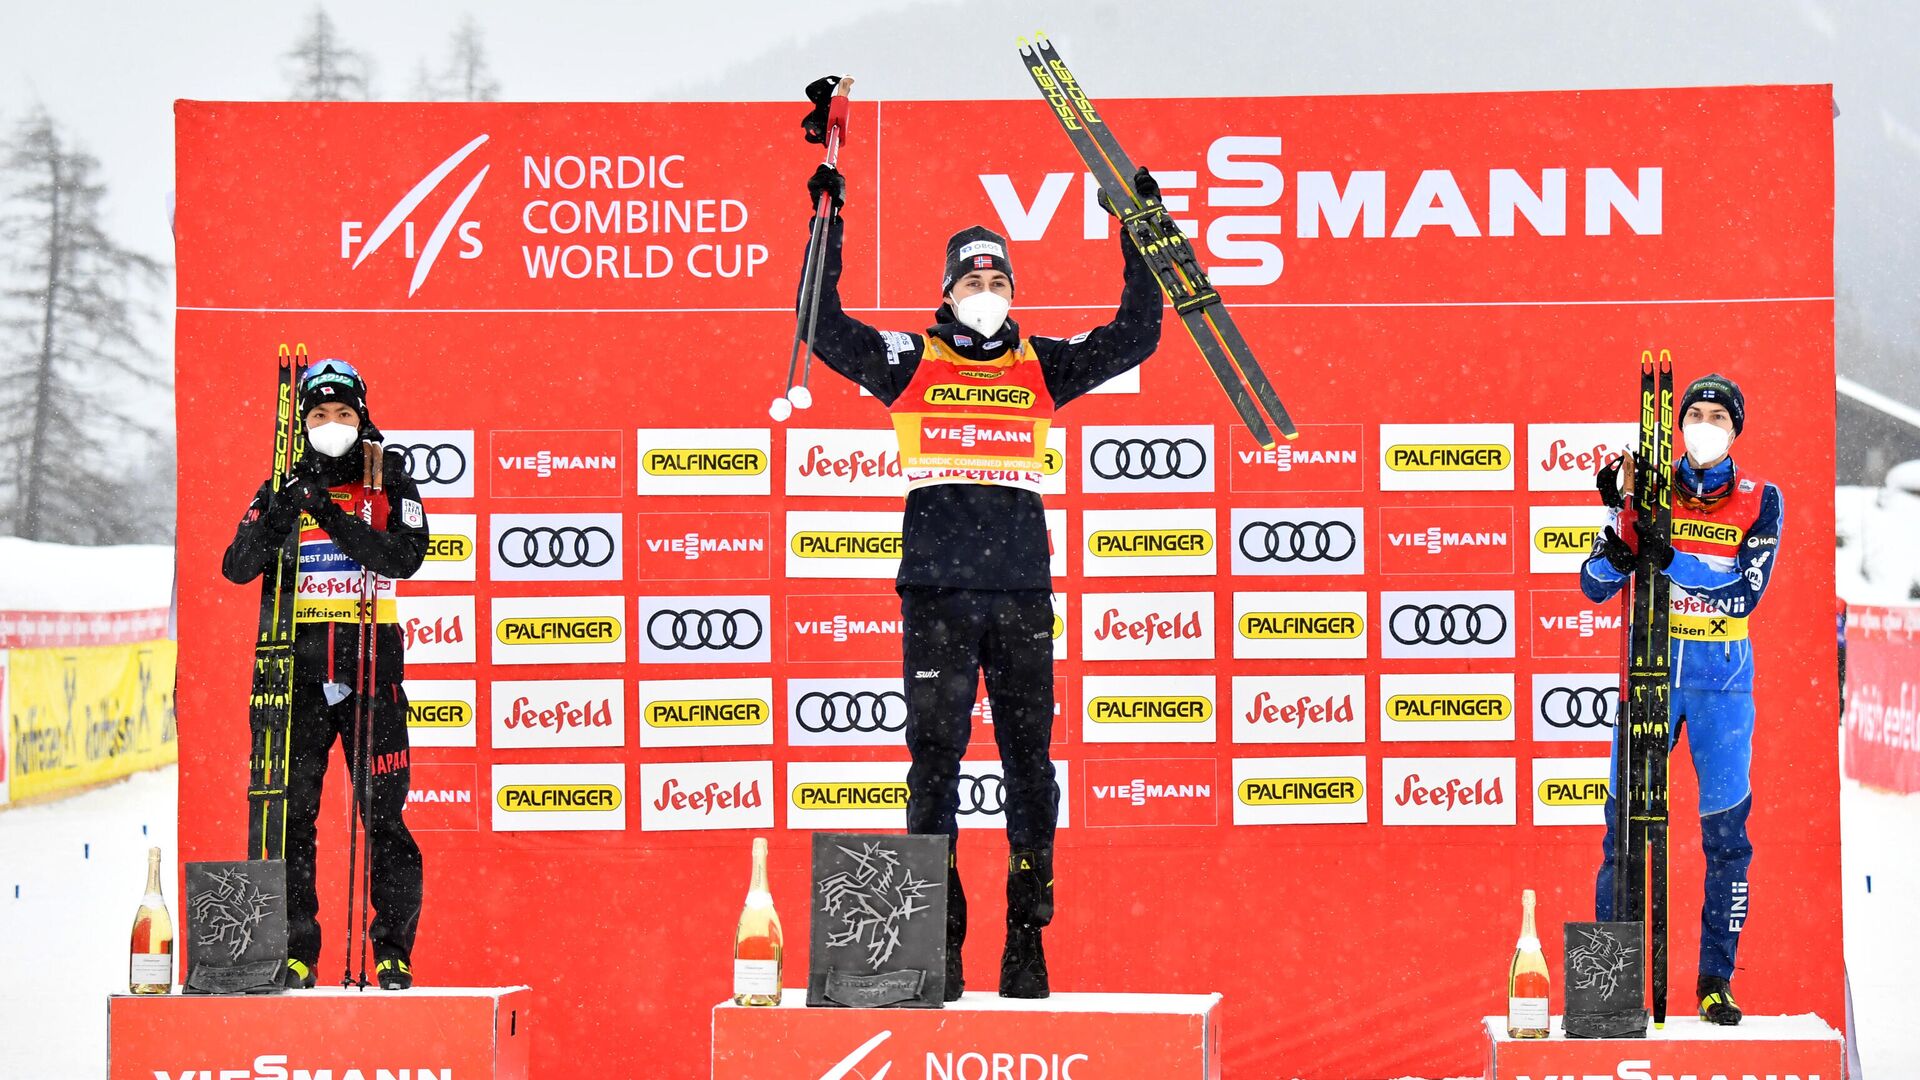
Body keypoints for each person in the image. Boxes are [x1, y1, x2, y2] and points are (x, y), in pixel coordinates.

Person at [800, 150, 1163, 998]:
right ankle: (933, 946)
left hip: (1022, 599)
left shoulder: (1041, 361)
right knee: (934, 767)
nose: (988, 282)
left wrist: (1138, 232)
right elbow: (820, 323)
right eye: (974, 274)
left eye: (1000, 272)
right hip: (935, 597)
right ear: (950, 287)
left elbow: (1134, 334)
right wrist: (828, 221)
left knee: (1031, 767)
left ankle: (1025, 935)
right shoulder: (909, 358)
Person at [1580, 372, 1784, 1025]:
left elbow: (1743, 596)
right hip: (1651, 674)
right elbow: (1592, 585)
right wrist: (1618, 543)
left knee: (1726, 839)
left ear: (1735, 431)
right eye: (1694, 413)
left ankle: (1715, 982)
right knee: (1622, 834)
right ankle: (1609, 991)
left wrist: (1671, 562)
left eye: (1717, 417)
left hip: (1722, 682)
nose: (1704, 424)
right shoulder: (1645, 488)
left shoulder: (1761, 500)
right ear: (1677, 424)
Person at [222, 359, 429, 990]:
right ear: (303, 422)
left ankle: (392, 949)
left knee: (385, 819)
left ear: (362, 418)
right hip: (299, 680)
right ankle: (295, 950)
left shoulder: (387, 480)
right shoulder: (280, 484)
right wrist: (282, 515)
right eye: (319, 415)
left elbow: (402, 558)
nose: (331, 425)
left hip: (371, 678)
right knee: (291, 817)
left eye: (343, 415)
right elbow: (236, 566)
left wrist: (333, 516)